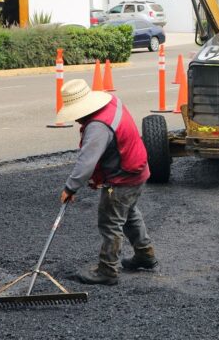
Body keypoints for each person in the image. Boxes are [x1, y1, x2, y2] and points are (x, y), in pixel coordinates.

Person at [58, 79, 157, 285]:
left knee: (110, 221)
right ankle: (145, 255)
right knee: (128, 213)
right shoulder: (111, 101)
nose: (76, 119)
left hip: (123, 177)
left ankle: (107, 270)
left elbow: (87, 162)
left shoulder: (97, 127)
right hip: (138, 168)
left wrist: (70, 187)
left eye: (76, 113)